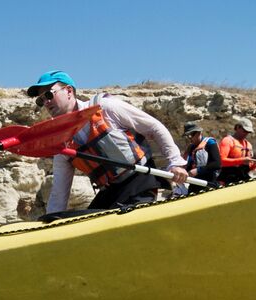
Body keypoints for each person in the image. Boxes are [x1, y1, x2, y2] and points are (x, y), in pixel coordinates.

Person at [26, 69, 188, 214]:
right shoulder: (62, 142)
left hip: (141, 179)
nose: (46, 102)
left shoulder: (105, 107)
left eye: (49, 94)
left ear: (69, 91)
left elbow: (154, 127)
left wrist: (175, 162)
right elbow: (59, 192)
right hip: (111, 191)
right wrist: (51, 219)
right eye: (40, 100)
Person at [180, 121, 222, 191]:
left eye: (191, 135)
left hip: (209, 182)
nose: (189, 138)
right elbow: (190, 165)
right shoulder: (191, 147)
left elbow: (217, 164)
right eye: (187, 136)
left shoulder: (210, 142)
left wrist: (198, 170)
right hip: (195, 184)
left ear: (199, 133)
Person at [217, 117, 256, 184]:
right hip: (228, 179)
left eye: (248, 132)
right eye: (245, 131)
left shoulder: (248, 145)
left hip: (243, 178)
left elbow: (248, 168)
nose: (246, 133)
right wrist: (241, 161)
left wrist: (254, 165)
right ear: (238, 127)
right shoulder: (227, 141)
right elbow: (221, 161)